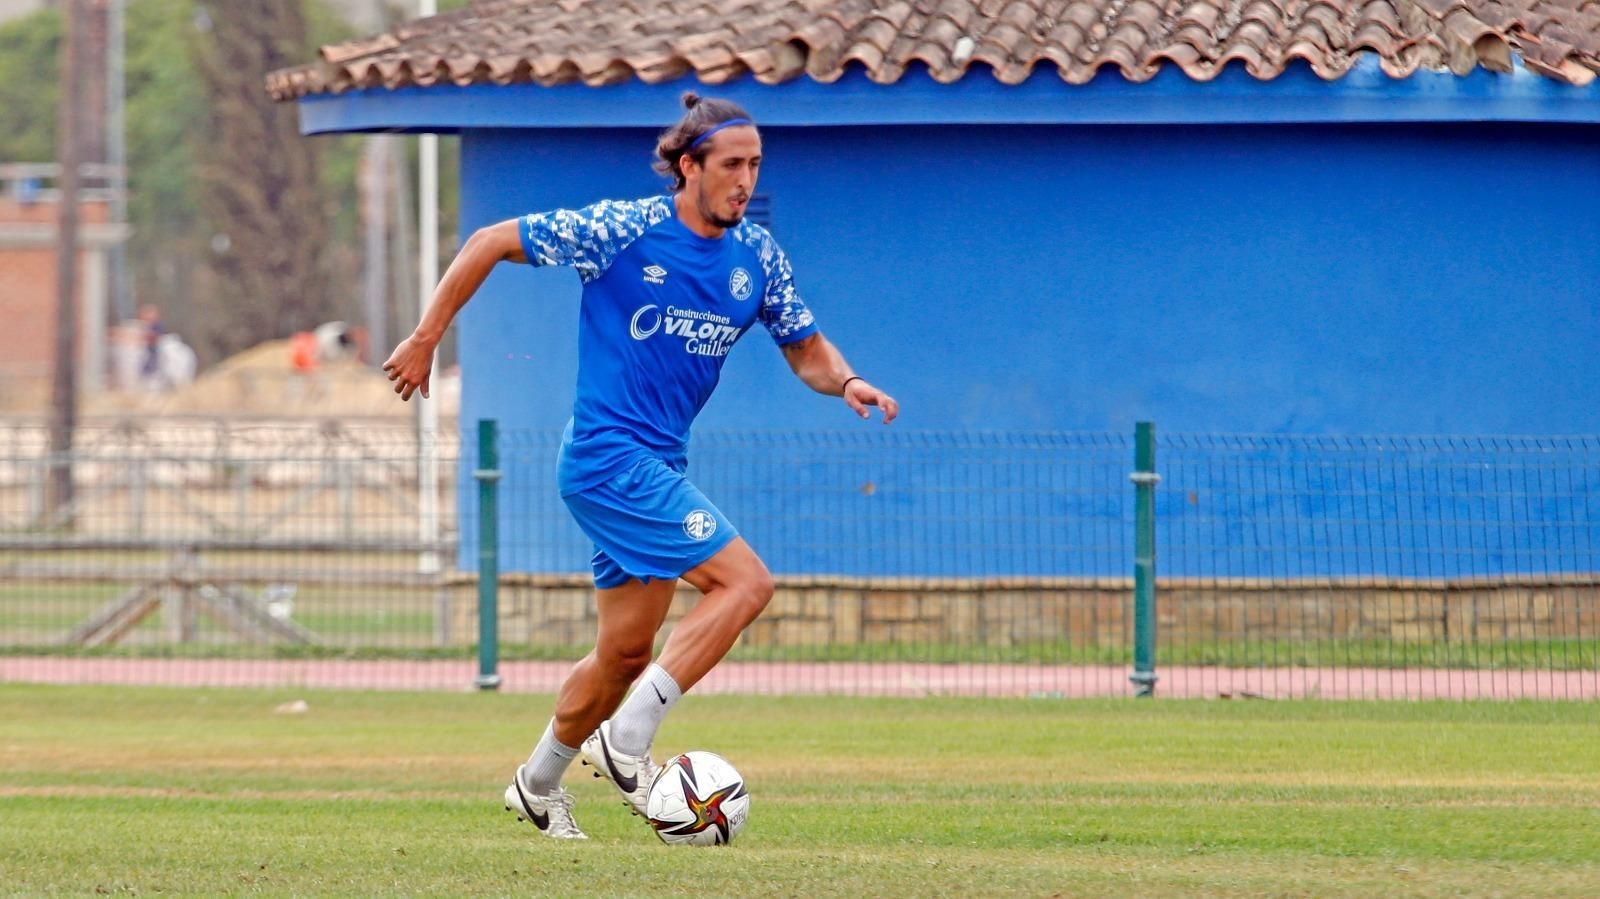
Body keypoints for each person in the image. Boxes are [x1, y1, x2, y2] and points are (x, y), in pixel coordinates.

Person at [382, 93, 898, 841]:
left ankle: (536, 784)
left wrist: (846, 380)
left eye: (755, 165)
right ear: (689, 167)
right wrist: (427, 336)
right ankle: (627, 741)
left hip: (656, 461)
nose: (746, 180)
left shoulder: (756, 256)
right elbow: (491, 238)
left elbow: (804, 345)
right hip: (607, 456)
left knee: (624, 652)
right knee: (747, 583)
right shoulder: (624, 229)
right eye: (731, 165)